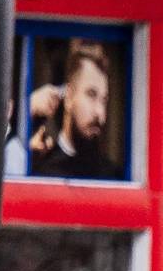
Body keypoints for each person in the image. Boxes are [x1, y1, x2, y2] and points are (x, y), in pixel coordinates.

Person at [25, 43, 121, 179]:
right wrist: (27, 110)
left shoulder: (113, 175)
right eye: (91, 95)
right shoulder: (40, 170)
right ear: (69, 97)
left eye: (104, 100)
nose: (100, 114)